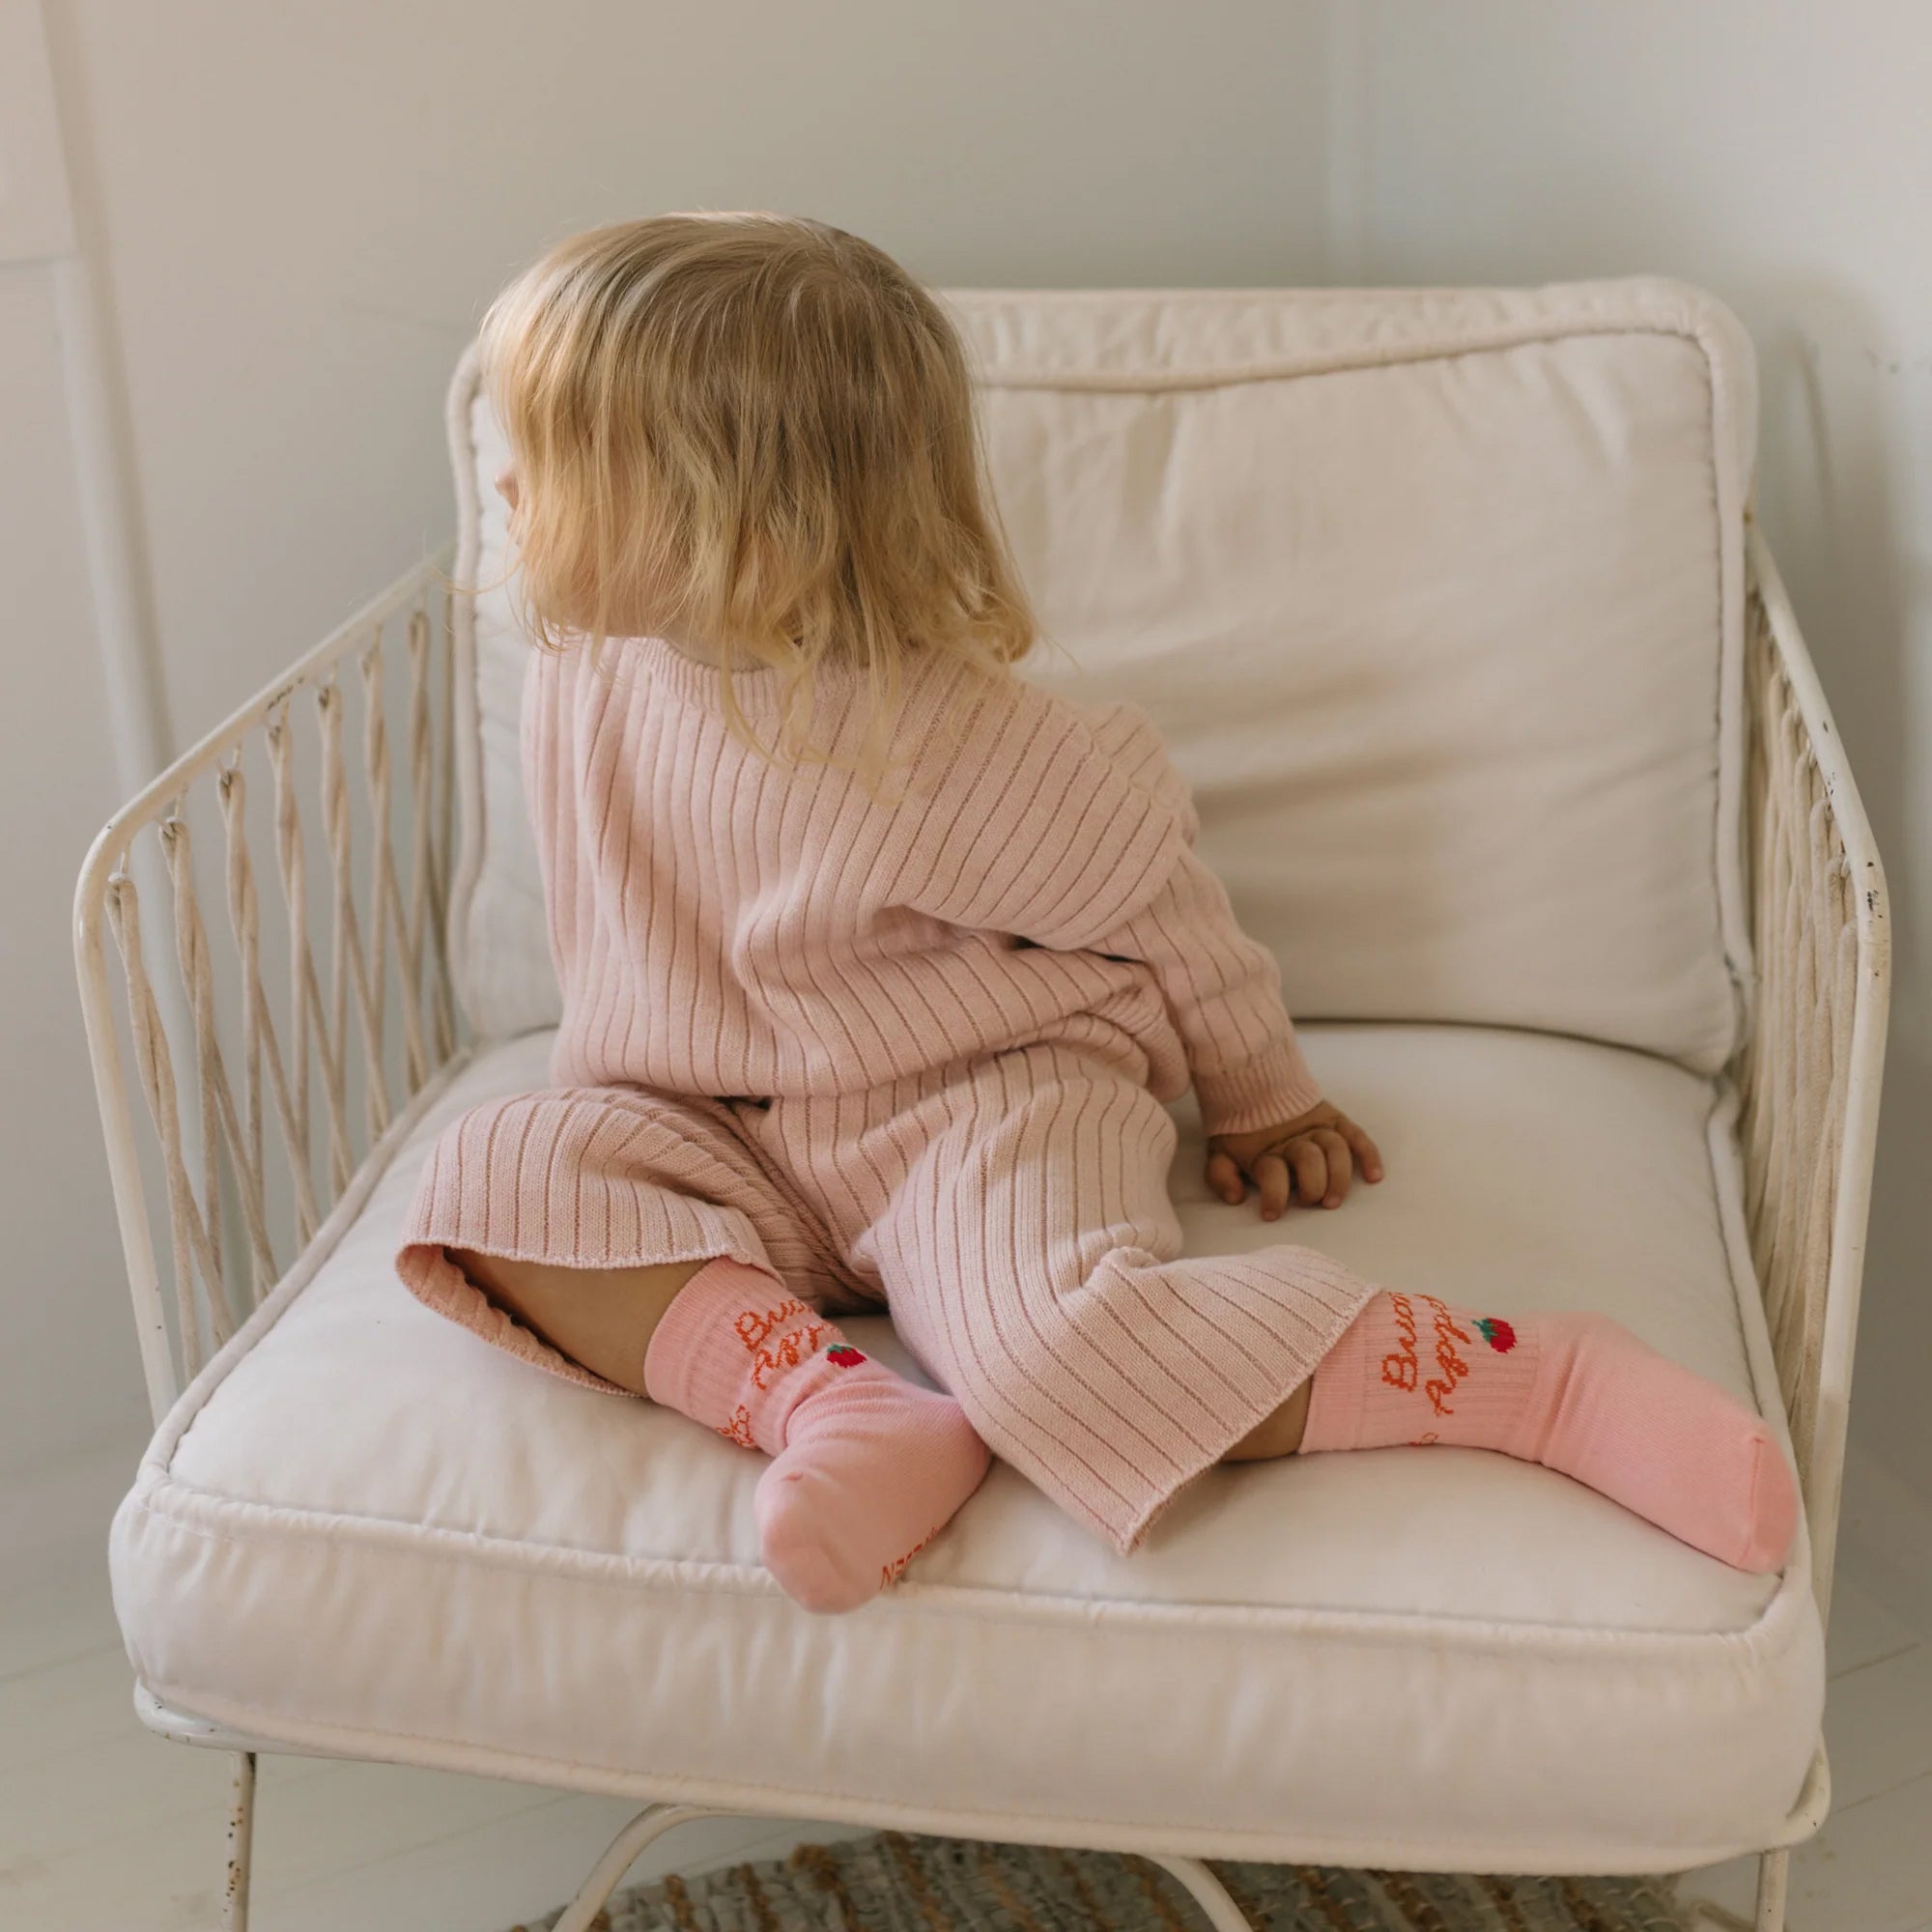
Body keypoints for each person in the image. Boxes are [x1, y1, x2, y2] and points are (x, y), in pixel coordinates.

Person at [396, 211, 1797, 1614]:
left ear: (747, 534)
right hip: (707, 1125)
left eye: (560, 465)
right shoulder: (591, 665)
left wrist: (1262, 1097)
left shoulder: (971, 750)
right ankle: (836, 1407)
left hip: (970, 1112)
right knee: (492, 1181)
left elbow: (1166, 911)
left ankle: (1526, 1380)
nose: (509, 491)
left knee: (1056, 1356)